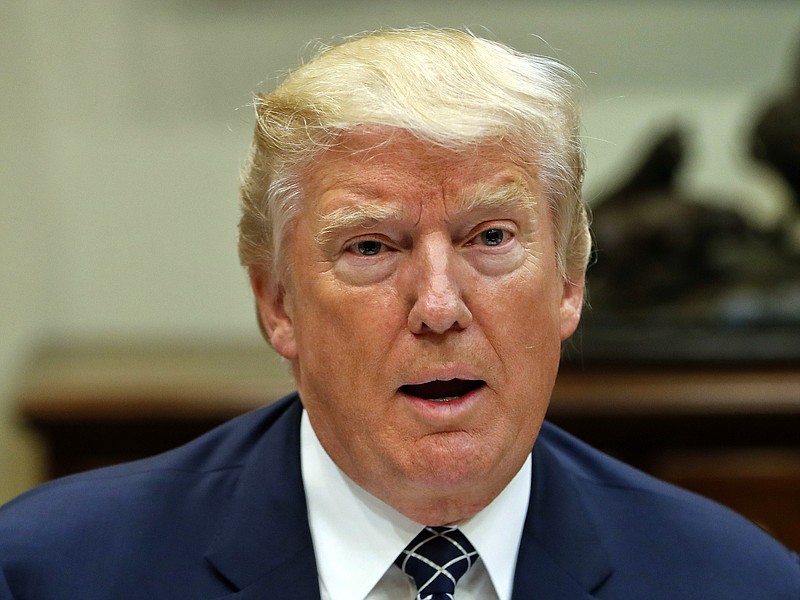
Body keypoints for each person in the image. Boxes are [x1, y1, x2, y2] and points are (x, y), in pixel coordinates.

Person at [1, 27, 798, 600]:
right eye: (372, 248)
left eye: (490, 237)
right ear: (277, 304)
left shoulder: (738, 581)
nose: (440, 306)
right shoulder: (50, 572)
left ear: (568, 285)